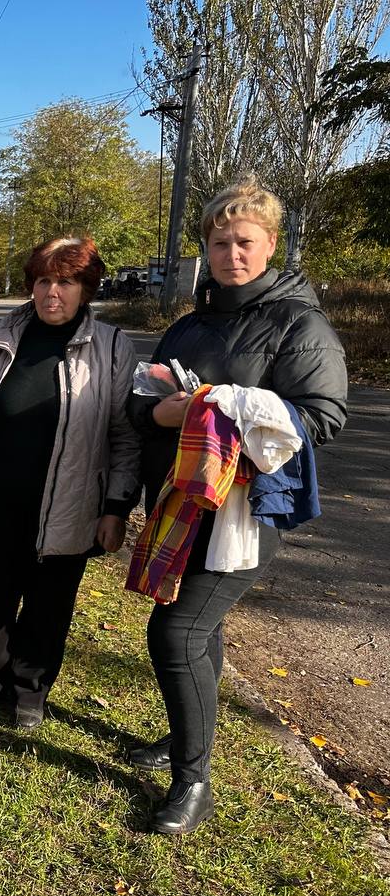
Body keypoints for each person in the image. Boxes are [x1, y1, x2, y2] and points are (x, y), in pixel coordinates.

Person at [125, 176, 347, 834]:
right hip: (183, 502)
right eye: (220, 242)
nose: (232, 254)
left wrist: (239, 406)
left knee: (177, 631)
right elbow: (144, 400)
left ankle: (193, 784)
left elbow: (324, 416)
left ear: (270, 244)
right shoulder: (190, 325)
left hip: (247, 512)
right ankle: (181, 740)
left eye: (245, 242)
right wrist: (163, 410)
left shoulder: (298, 323)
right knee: (203, 629)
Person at [0, 236, 140, 729]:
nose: (52, 292)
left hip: (70, 504)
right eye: (44, 280)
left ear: (86, 288)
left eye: (66, 281)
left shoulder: (111, 347)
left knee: (48, 607)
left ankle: (29, 693)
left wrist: (116, 507)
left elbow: (125, 437)